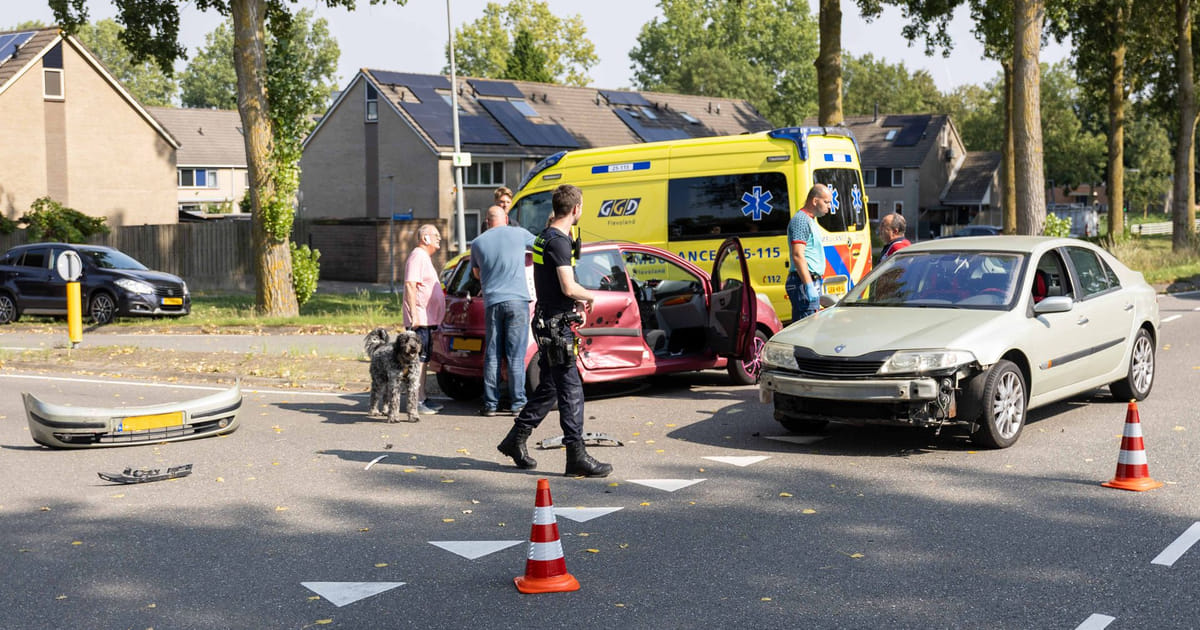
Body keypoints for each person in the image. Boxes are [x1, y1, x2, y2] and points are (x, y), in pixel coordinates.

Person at [497, 184, 612, 478]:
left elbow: (550, 285)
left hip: (548, 320)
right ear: (576, 209)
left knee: (548, 387)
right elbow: (567, 285)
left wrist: (573, 304)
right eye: (581, 207)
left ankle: (515, 440)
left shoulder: (543, 238)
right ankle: (576, 456)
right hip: (557, 327)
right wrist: (590, 297)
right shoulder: (559, 242)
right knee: (572, 391)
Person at [471, 205, 536, 417]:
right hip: (517, 301)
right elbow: (541, 246)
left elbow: (476, 273)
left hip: (492, 303)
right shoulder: (519, 233)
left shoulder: (478, 243)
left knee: (493, 355)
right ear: (506, 218)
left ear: (487, 221)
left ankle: (490, 404)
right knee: (515, 356)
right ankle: (518, 403)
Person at [403, 224, 446, 415]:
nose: (440, 238)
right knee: (417, 361)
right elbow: (410, 285)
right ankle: (416, 401)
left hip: (426, 319)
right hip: (419, 320)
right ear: (425, 238)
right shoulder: (417, 256)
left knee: (424, 360)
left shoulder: (423, 258)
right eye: (436, 235)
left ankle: (422, 397)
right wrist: (414, 316)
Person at [784, 184, 832, 321]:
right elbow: (798, 255)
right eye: (826, 202)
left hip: (807, 281)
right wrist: (809, 285)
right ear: (815, 201)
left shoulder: (810, 220)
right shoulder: (801, 220)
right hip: (802, 282)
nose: (829, 206)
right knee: (807, 329)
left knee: (810, 326)